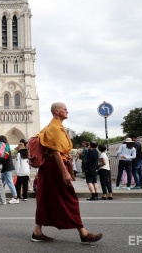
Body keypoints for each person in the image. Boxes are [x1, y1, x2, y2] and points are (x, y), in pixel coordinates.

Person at [33, 102, 103, 243]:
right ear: (57, 111)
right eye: (65, 109)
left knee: (45, 198)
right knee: (69, 198)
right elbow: (56, 152)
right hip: (54, 167)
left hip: (51, 167)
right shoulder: (55, 128)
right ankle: (83, 233)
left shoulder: (55, 127)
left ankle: (37, 232)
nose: (67, 111)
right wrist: (65, 172)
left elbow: (58, 150)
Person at [0, 135, 19, 204]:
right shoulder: (7, 145)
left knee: (9, 182)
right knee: (1, 182)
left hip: (6, 167)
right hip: (7, 166)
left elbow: (4, 156)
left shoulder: (3, 145)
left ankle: (15, 197)